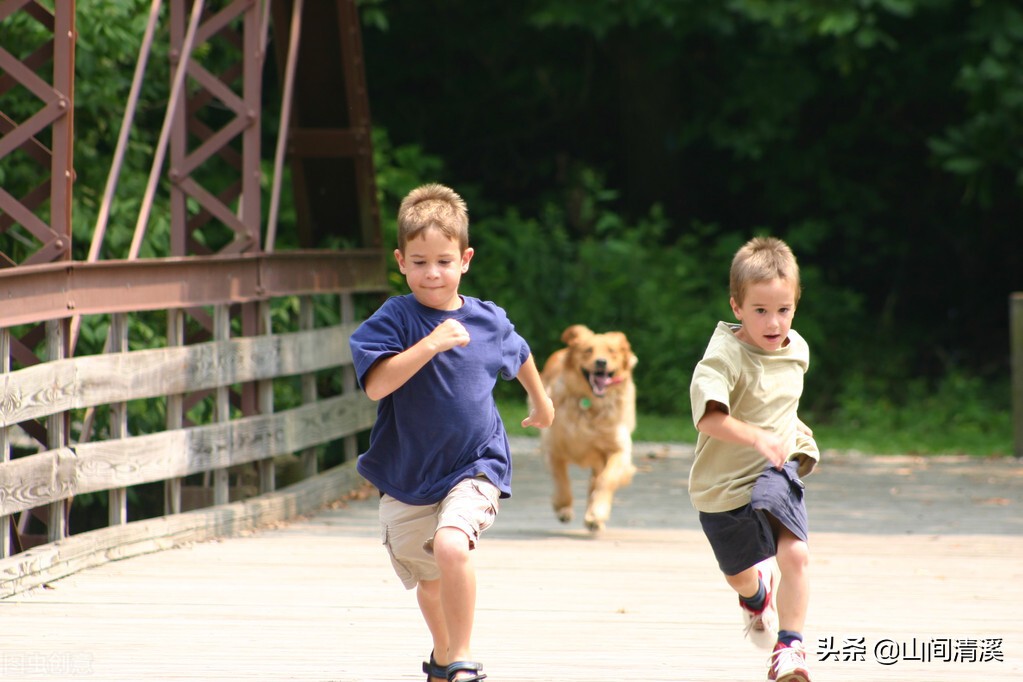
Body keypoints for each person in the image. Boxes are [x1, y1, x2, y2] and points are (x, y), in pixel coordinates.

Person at [349, 183, 555, 682]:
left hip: (477, 463)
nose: (432, 273)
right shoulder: (394, 318)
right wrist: (430, 345)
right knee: (431, 580)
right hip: (409, 473)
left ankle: (461, 659)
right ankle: (443, 657)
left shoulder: (488, 318)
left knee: (451, 547)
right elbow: (376, 387)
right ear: (400, 261)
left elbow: (519, 350)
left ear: (465, 259)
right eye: (419, 262)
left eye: (443, 261)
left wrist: (541, 399)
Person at [688, 236, 819, 682]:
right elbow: (709, 420)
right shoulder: (721, 358)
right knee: (741, 576)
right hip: (721, 488)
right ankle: (755, 596)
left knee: (796, 555)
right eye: (760, 310)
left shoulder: (796, 349)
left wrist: (791, 429)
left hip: (774, 470)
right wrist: (755, 435)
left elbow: (778, 398)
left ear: (795, 307)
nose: (773, 322)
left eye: (783, 310)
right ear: (737, 306)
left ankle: (790, 649)